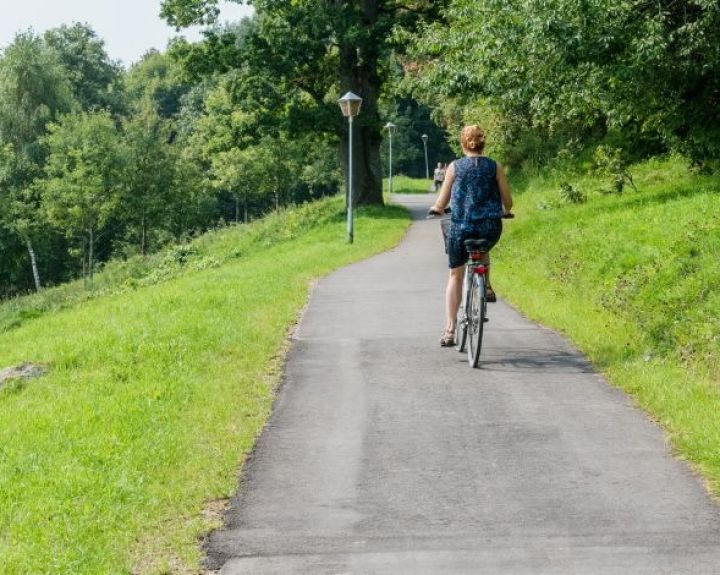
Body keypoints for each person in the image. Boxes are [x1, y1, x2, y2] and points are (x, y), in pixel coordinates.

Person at [428, 125, 513, 347]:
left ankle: (450, 330)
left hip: (461, 228)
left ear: (463, 144)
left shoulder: (455, 167)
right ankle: (485, 285)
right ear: (483, 143)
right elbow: (508, 201)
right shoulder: (495, 167)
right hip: (489, 227)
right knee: (483, 248)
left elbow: (442, 200)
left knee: (455, 275)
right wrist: (505, 209)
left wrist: (437, 208)